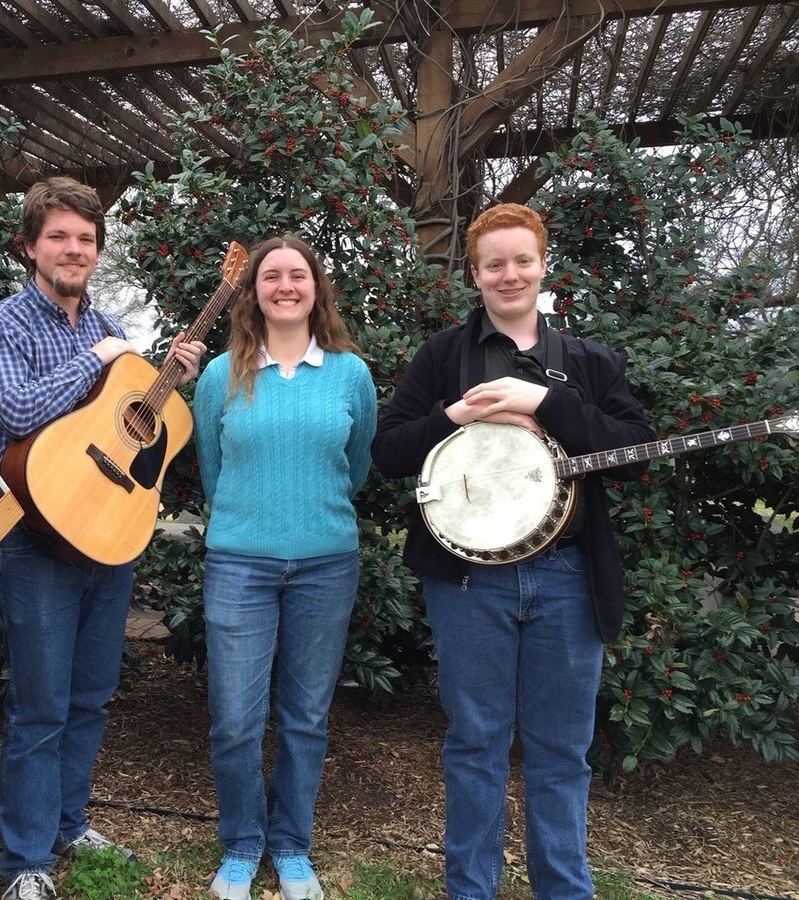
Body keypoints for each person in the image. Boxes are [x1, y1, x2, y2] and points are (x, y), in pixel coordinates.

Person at [370, 203, 654, 899]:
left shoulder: (586, 360)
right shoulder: (444, 356)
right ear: (474, 273)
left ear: (542, 265)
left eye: (522, 260)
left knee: (561, 751)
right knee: (476, 745)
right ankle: (472, 890)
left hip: (566, 577)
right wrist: (453, 416)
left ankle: (565, 890)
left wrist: (545, 402)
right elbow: (389, 452)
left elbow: (635, 456)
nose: (510, 274)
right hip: (469, 584)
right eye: (494, 263)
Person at [0, 176, 205, 900]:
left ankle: (70, 823)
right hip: (35, 540)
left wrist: (169, 377)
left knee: (92, 696)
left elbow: (134, 433)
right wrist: (98, 359)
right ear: (30, 247)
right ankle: (24, 864)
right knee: (40, 704)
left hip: (107, 534)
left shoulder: (107, 323)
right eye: (59, 237)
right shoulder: (6, 322)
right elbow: (16, 413)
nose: (74, 249)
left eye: (86, 239)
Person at [192, 235, 377, 900]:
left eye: (298, 275)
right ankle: (244, 843)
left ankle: (292, 845)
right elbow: (213, 470)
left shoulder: (351, 375)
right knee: (236, 718)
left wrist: (308, 515)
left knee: (304, 715)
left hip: (326, 564)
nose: (286, 286)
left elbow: (354, 465)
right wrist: (255, 519)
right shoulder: (221, 376)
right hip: (241, 564)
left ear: (316, 288)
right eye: (272, 276)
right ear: (254, 291)